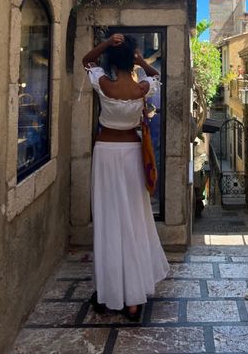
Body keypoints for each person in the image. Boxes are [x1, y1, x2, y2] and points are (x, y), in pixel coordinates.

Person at [82, 33, 169, 321]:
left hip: (106, 153)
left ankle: (112, 294)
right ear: (130, 62)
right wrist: (140, 60)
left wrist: (108, 43)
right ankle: (133, 302)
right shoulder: (143, 88)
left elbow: (86, 60)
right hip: (132, 155)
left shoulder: (102, 84)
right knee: (133, 220)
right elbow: (157, 75)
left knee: (109, 221)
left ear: (110, 62)